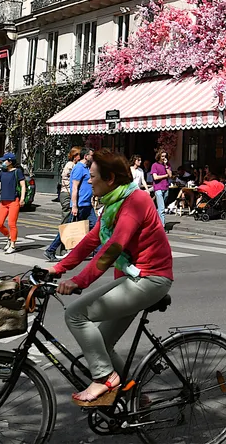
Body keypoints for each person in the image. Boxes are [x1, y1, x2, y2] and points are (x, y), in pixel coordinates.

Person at [51, 150, 173, 406]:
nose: (88, 181)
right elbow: (92, 240)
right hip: (132, 280)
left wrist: (79, 281)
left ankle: (105, 377)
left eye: (92, 177)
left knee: (75, 314)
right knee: (102, 345)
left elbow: (114, 246)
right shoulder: (114, 202)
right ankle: (138, 399)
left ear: (109, 179)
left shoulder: (135, 201)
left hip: (149, 279)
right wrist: (58, 268)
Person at [45, 147, 84, 261]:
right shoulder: (71, 165)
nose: (79, 157)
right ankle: (57, 248)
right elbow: (68, 179)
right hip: (67, 195)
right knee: (66, 223)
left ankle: (65, 247)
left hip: (69, 195)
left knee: (70, 223)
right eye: (77, 155)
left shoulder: (73, 165)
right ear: (73, 155)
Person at [0, 153, 27, 253]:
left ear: (10, 162)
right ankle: (9, 236)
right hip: (3, 202)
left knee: (11, 223)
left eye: (4, 161)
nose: (2, 163)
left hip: (14, 201)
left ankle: (13, 244)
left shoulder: (17, 172)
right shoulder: (2, 172)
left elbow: (23, 186)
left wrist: (22, 198)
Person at [72, 148, 98, 229]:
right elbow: (75, 187)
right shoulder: (79, 168)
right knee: (70, 230)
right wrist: (74, 206)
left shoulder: (87, 168)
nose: (93, 158)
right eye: (92, 156)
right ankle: (55, 242)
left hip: (87, 204)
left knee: (94, 225)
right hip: (80, 204)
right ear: (86, 156)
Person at [148, 151, 171, 224]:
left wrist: (166, 166)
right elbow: (155, 177)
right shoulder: (154, 165)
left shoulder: (167, 165)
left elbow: (170, 175)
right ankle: (162, 226)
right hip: (158, 188)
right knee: (162, 208)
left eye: (165, 156)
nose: (164, 158)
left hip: (166, 187)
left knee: (161, 207)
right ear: (159, 157)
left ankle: (155, 221)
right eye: (162, 156)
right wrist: (165, 176)